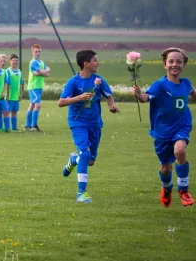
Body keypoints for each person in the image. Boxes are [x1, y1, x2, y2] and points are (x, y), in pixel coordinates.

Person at [132, 48, 195, 207]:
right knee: (165, 168)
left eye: (179, 62)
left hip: (182, 126)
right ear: (164, 64)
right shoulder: (160, 85)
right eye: (171, 61)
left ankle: (183, 190)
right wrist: (138, 94)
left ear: (184, 65)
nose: (175, 64)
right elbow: (145, 98)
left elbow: (194, 94)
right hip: (162, 131)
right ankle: (166, 188)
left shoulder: (186, 83)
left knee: (180, 151)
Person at [59, 50, 120, 203]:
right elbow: (61, 102)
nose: (98, 63)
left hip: (95, 123)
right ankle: (81, 193)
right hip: (78, 123)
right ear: (86, 64)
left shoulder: (99, 80)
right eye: (95, 60)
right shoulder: (73, 82)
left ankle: (74, 159)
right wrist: (79, 97)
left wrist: (112, 106)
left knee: (90, 160)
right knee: (85, 155)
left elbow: (108, 96)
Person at [26, 44, 50, 132]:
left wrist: (43, 72)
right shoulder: (33, 62)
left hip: (39, 86)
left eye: (39, 51)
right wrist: (45, 71)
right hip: (33, 87)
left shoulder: (41, 62)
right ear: (32, 52)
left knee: (32, 105)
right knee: (37, 105)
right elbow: (40, 72)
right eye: (36, 52)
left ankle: (28, 125)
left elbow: (46, 74)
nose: (38, 53)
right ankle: (33, 126)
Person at [6, 53, 24, 131]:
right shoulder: (8, 71)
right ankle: (7, 127)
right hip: (9, 96)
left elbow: (21, 83)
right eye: (13, 60)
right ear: (10, 61)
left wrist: (21, 93)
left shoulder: (19, 71)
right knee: (7, 112)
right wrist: (6, 95)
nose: (15, 62)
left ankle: (14, 128)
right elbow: (7, 84)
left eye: (16, 60)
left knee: (15, 112)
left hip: (16, 95)